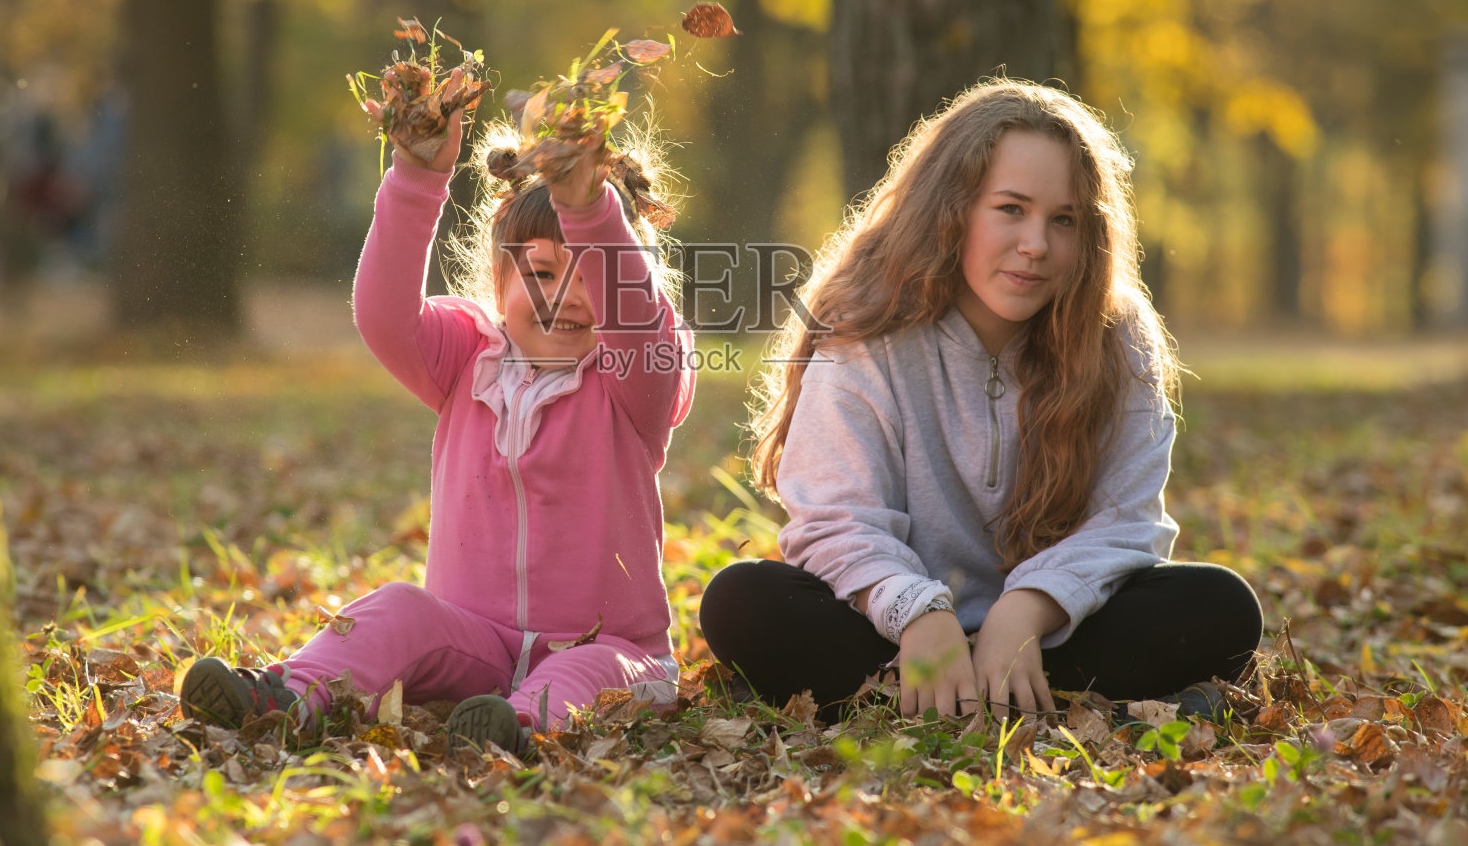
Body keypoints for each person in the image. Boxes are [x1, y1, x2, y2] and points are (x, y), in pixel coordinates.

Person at [698, 79, 1261, 725]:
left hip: (1053, 632)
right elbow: (834, 518)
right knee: (742, 599)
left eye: (1064, 220)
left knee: (1222, 606)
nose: (1036, 245)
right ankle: (972, 686)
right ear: (953, 207)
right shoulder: (866, 327)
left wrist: (1026, 608)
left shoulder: (1117, 338)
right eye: (1011, 209)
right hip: (890, 630)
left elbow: (1126, 521)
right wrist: (917, 609)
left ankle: (951, 689)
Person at [180, 81, 695, 753]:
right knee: (397, 608)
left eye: (587, 277)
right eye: (539, 274)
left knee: (579, 673)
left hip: (616, 652)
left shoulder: (631, 384)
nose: (564, 297)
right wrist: (417, 177)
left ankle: (515, 727)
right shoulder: (467, 360)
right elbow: (384, 315)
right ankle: (286, 695)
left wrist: (590, 210)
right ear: (499, 277)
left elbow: (640, 330)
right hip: (475, 642)